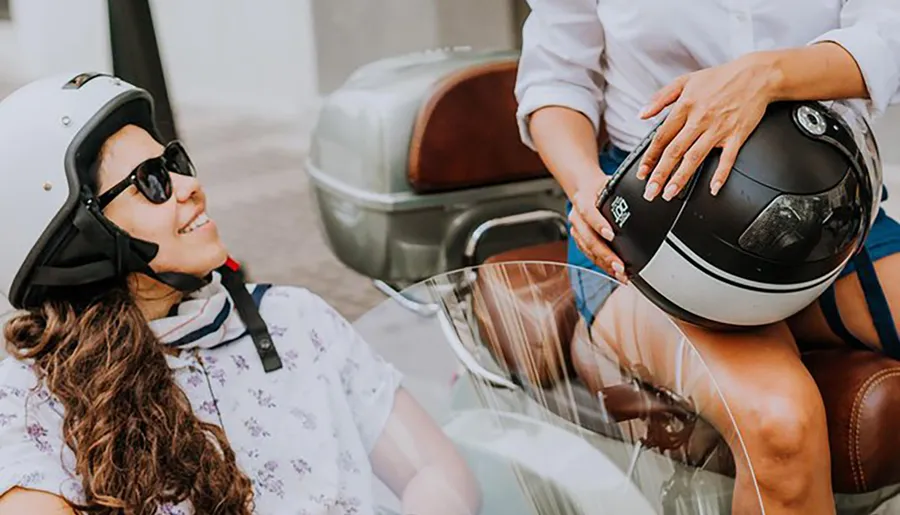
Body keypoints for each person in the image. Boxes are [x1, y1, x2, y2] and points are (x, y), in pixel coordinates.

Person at [0, 73, 481, 515]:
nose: (190, 186)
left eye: (175, 163)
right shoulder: (29, 401)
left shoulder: (294, 321)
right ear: (77, 236)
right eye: (152, 181)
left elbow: (432, 471)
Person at [514, 1, 900, 514]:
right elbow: (556, 80)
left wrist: (765, 75)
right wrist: (585, 186)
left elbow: (888, 32)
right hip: (651, 223)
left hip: (821, 211)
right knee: (779, 423)